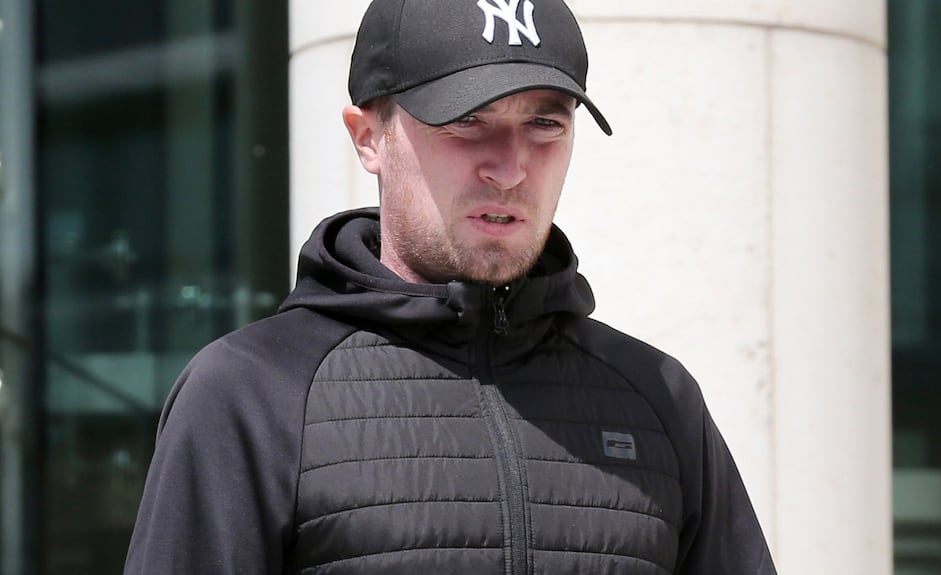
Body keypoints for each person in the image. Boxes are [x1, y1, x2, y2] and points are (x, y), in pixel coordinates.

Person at [124, 0, 777, 573]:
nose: (510, 168)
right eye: (467, 120)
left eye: (545, 124)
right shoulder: (251, 394)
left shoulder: (658, 397)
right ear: (367, 137)